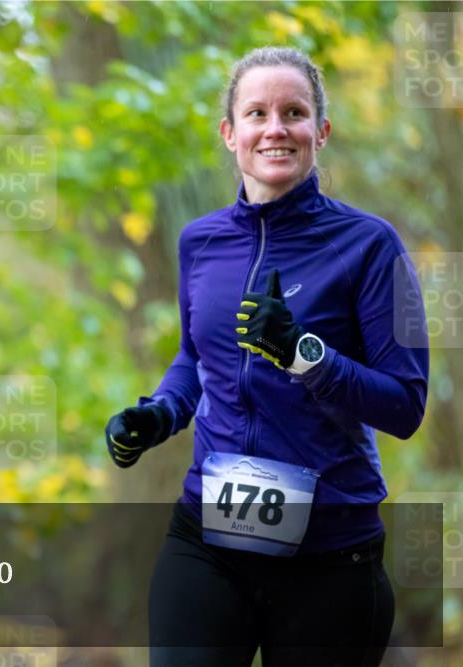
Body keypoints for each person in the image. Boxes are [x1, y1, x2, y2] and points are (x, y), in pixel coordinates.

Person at [105, 47, 428, 666]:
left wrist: (305, 355)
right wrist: (160, 414)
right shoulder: (199, 242)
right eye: (256, 113)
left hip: (330, 556)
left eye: (294, 113)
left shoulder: (369, 245)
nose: (275, 128)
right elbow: (196, 358)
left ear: (321, 131)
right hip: (208, 538)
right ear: (231, 133)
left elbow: (406, 406)